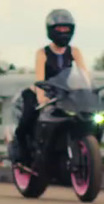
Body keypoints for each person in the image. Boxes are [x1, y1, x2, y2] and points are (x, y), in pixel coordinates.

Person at [11, 9, 92, 165]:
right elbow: (39, 78)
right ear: (51, 30)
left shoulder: (75, 51)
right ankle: (20, 153)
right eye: (59, 28)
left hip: (64, 93)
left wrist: (88, 92)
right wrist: (42, 97)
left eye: (66, 28)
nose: (63, 32)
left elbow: (84, 75)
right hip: (40, 92)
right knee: (27, 121)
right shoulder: (42, 53)